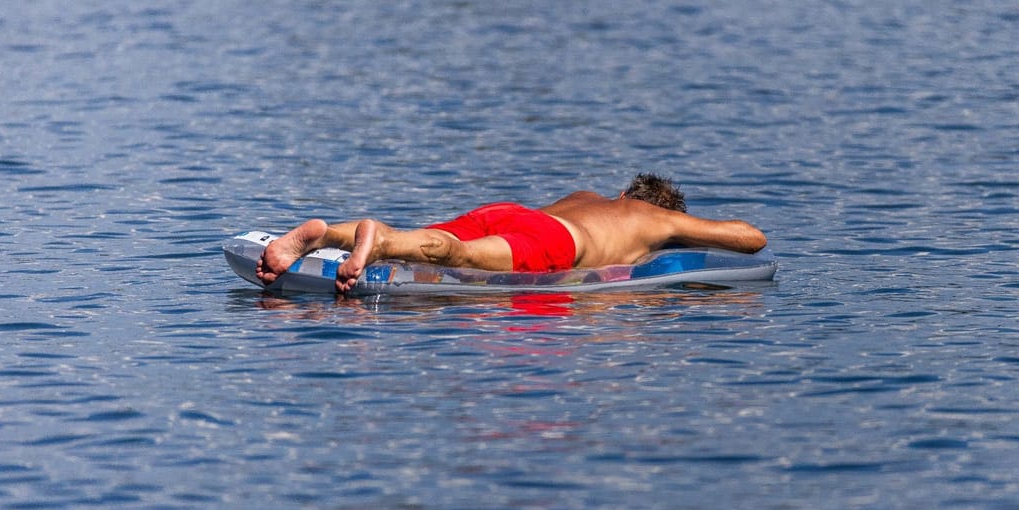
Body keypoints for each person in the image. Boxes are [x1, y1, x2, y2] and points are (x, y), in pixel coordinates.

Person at [255, 173, 767, 293]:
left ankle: (323, 236)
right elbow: (753, 238)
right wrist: (686, 237)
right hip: (554, 241)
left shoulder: (591, 196)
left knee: (429, 240)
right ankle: (378, 239)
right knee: (459, 257)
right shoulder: (657, 219)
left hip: (509, 211)